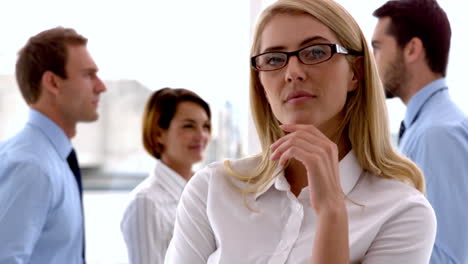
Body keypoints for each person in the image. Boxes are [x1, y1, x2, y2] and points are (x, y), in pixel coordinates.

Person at [164, 0, 436, 263]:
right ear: (260, 83)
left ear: (355, 73)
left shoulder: (403, 212)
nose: (293, 73)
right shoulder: (211, 189)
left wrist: (332, 213)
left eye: (316, 52)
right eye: (273, 59)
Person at [372, 0, 468, 263]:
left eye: (378, 49)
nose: (372, 64)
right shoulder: (429, 128)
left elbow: (446, 256)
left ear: (412, 49)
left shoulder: (436, 135)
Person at [0, 27, 106, 263]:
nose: (101, 86)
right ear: (53, 82)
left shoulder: (52, 159)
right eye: (89, 75)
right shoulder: (30, 165)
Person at [120, 87, 212, 264]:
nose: (202, 136)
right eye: (189, 126)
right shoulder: (146, 203)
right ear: (159, 134)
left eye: (205, 126)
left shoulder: (206, 192)